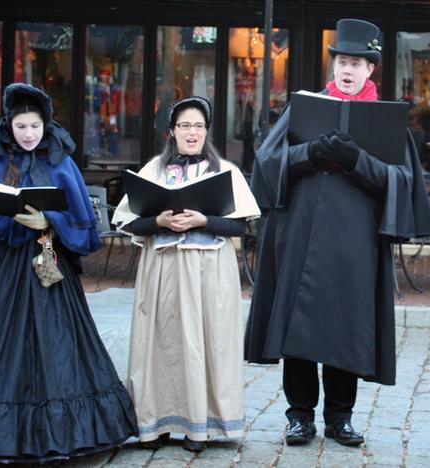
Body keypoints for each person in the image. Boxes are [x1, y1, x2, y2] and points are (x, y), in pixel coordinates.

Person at [0, 83, 138, 463]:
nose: (29, 134)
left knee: (54, 347)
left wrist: (48, 219)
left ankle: (60, 432)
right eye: (21, 127)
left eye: (34, 126)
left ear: (45, 125)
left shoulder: (61, 162)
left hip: (44, 265)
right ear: (9, 127)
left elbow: (84, 224)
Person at [244, 18, 430, 447]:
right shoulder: (305, 107)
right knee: (297, 324)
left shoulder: (387, 122)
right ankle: (299, 416)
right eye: (342, 62)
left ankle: (339, 417)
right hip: (300, 234)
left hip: (355, 244)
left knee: (346, 325)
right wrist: (309, 152)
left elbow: (401, 181)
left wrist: (356, 161)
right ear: (334, 67)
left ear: (371, 71)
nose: (348, 70)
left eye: (357, 63)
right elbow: (268, 162)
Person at [111, 96, 260, 452]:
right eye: (184, 126)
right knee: (161, 343)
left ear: (206, 131)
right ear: (172, 132)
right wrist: (160, 220)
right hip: (163, 269)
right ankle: (156, 423)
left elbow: (241, 227)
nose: (191, 132)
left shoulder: (225, 171)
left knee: (203, 344)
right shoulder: (153, 171)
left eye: (198, 126)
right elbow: (131, 221)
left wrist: (204, 220)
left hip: (208, 271)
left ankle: (200, 426)